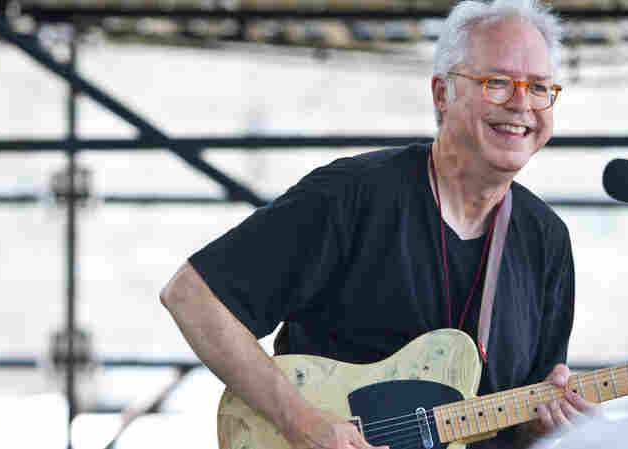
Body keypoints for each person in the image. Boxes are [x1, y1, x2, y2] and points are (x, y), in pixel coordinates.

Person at [160, 0, 598, 447]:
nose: (522, 104)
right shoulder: (353, 194)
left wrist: (543, 425)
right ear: (442, 93)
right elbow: (192, 295)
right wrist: (301, 422)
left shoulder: (547, 239)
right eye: (498, 82)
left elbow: (521, 422)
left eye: (540, 87)